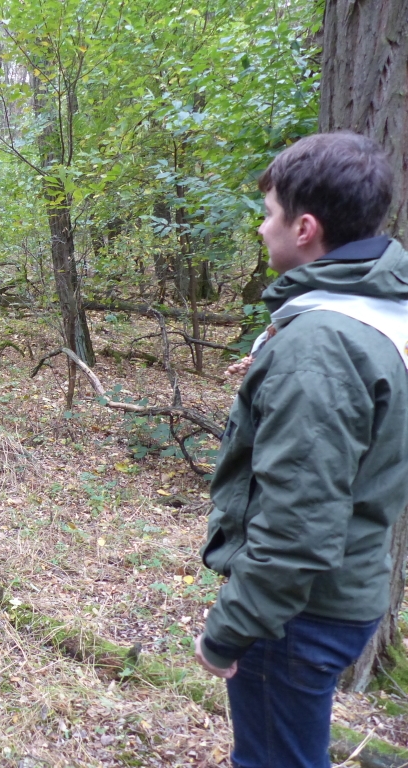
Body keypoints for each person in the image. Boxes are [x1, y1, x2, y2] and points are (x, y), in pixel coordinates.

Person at [195, 132, 408, 768]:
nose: (263, 229)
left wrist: (228, 631)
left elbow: (298, 527)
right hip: (342, 590)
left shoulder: (320, 346)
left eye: (269, 214)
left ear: (305, 228)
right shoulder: (377, 311)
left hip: (296, 613)